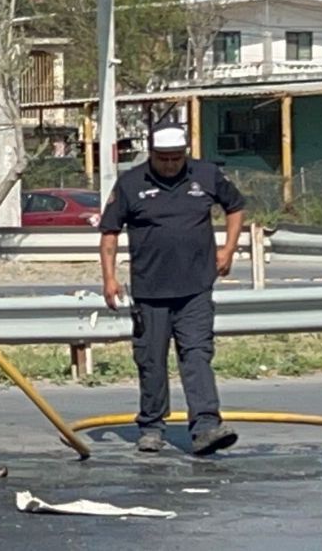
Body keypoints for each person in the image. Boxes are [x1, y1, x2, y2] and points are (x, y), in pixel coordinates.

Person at [99, 124, 245, 455]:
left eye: (175, 158)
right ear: (151, 154)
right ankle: (151, 427)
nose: (169, 164)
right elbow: (109, 231)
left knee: (197, 355)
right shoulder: (131, 183)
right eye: (163, 158)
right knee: (151, 360)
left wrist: (228, 249)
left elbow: (235, 207)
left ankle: (206, 426)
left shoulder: (206, 175)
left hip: (195, 288)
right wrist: (109, 277)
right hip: (150, 291)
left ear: (185, 155)